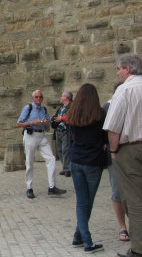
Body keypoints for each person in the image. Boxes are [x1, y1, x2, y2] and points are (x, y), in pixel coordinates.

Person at [104, 54, 142, 257]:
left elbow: (113, 127)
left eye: (118, 69)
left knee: (134, 199)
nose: (117, 72)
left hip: (131, 148)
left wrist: (113, 151)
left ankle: (138, 248)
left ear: (127, 69)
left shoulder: (124, 89)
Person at [65, 83, 107, 253]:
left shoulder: (73, 114)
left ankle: (78, 236)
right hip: (93, 162)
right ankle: (87, 241)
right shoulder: (100, 115)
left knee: (83, 202)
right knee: (85, 203)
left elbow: (71, 137)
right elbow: (104, 137)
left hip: (76, 160)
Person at [16, 90, 66, 199]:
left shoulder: (44, 109)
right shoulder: (28, 108)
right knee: (29, 162)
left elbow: (48, 126)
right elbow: (19, 123)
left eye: (40, 97)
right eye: (37, 97)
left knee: (51, 159)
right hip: (31, 135)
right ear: (33, 98)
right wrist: (32, 123)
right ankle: (29, 188)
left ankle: (52, 187)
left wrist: (47, 123)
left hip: (42, 135)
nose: (39, 99)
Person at [103, 82, 130, 243]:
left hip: (129, 152)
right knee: (117, 191)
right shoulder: (107, 107)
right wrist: (112, 151)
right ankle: (122, 227)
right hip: (115, 154)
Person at [51, 91, 73, 177]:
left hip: (66, 131)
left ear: (66, 98)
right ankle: (65, 167)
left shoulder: (71, 107)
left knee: (66, 151)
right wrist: (53, 120)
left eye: (62, 96)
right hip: (58, 131)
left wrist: (61, 119)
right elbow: (57, 118)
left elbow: (71, 118)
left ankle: (68, 169)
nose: (60, 97)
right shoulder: (61, 108)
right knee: (59, 150)